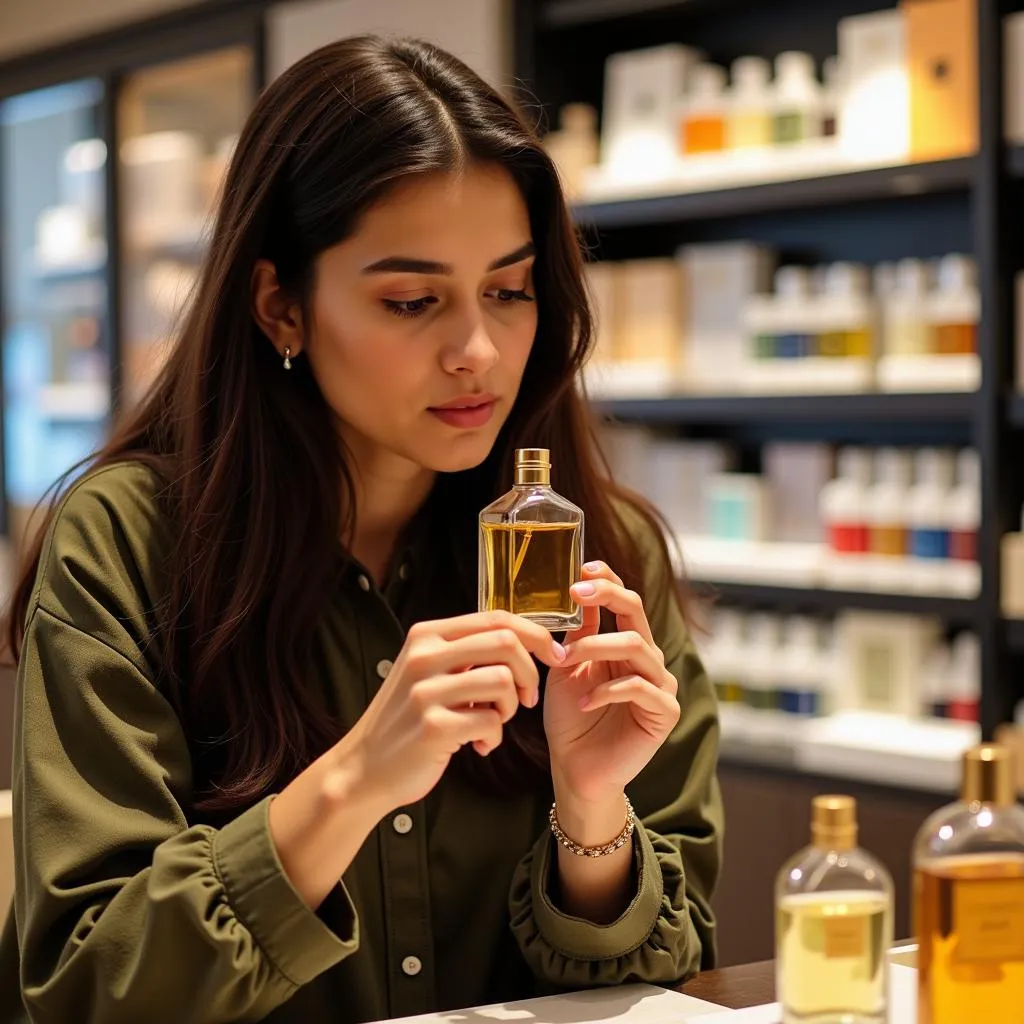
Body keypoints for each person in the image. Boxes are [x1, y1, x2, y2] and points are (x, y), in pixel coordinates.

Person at [0, 36, 721, 1024]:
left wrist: (589, 815)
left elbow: (671, 971)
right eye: (412, 301)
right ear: (281, 306)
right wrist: (351, 779)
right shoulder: (129, 543)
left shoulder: (598, 545)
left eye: (508, 291)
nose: (477, 351)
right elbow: (88, 989)